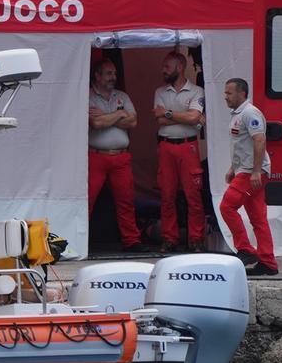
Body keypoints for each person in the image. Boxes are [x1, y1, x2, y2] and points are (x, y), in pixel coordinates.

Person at [221, 79, 278, 276]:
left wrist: (255, 171)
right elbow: (242, 145)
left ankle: (245, 249)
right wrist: (232, 168)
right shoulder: (238, 114)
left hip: (251, 173)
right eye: (225, 92)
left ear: (242, 93)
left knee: (226, 207)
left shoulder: (250, 113)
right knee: (258, 218)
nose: (225, 96)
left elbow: (259, 140)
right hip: (245, 170)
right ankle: (268, 263)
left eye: (229, 93)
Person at [87, 59, 145, 252]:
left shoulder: (122, 95)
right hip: (96, 156)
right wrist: (119, 114)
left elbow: (134, 122)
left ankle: (131, 241)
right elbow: (95, 124)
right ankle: (80, 241)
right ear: (97, 75)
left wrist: (105, 116)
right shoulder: (87, 95)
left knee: (126, 200)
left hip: (121, 157)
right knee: (87, 200)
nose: (113, 77)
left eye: (114, 73)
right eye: (108, 74)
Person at [153, 52, 207, 253]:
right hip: (166, 146)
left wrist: (169, 113)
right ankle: (169, 238)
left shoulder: (196, 90)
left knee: (193, 195)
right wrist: (186, 117)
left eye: (167, 66)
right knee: (167, 195)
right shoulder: (160, 91)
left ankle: (196, 239)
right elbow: (160, 121)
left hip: (188, 147)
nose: (163, 70)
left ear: (179, 67)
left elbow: (194, 117)